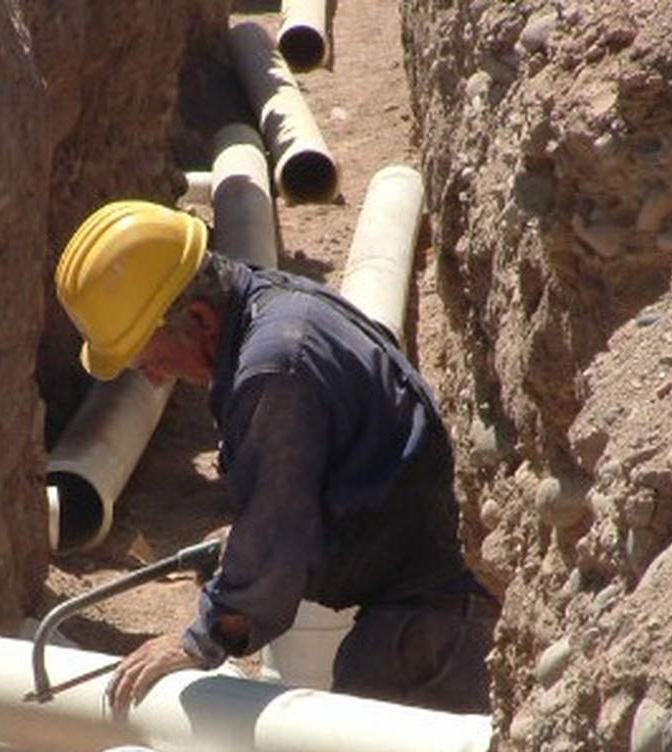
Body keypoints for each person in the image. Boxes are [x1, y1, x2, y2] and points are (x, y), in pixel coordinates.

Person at [54, 199, 501, 715]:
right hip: (430, 603)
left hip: (432, 633)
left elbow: (279, 533)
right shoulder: (274, 304)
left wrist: (200, 639)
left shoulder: (275, 367)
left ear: (198, 317)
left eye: (150, 359)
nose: (153, 377)